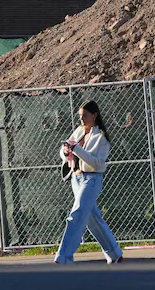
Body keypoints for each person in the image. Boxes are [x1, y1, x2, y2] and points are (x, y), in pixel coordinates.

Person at [54, 100, 125, 265]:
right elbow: (66, 150)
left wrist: (75, 149)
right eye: (80, 116)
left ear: (94, 115)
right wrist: (65, 152)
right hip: (76, 178)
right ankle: (114, 253)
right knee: (93, 219)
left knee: (76, 215)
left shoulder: (101, 137)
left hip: (91, 180)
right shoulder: (79, 131)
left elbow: (98, 163)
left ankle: (64, 256)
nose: (82, 119)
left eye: (85, 115)